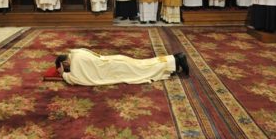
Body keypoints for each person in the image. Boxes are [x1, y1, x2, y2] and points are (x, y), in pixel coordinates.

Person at [55, 49, 189, 86]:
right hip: (115, 61)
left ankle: (176, 60)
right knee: (144, 65)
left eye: (66, 67)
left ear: (65, 63)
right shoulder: (76, 52)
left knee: (143, 70)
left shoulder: (76, 61)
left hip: (114, 68)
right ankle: (174, 59)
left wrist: (63, 74)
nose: (68, 69)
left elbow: (78, 79)